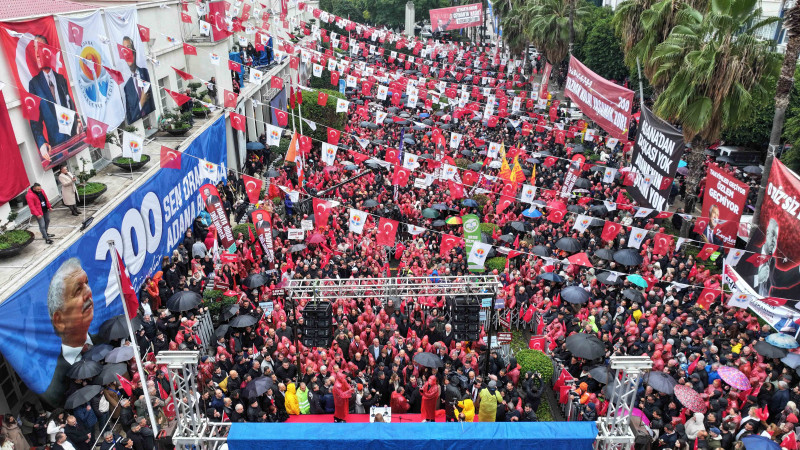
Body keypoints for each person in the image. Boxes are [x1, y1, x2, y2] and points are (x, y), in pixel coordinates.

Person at [42, 258, 96, 407]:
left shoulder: (103, 338)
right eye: (78, 290)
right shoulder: (55, 381)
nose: (88, 292)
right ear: (59, 320)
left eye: (87, 283)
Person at [27, 35, 80, 162]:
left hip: (74, 139)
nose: (37, 54)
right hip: (56, 146)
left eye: (39, 48)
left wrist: (77, 121)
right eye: (34, 49)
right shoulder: (34, 84)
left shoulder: (61, 79)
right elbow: (35, 120)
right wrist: (41, 144)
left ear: (48, 51)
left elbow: (70, 104)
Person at [120, 36, 155, 123]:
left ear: (134, 51)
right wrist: (141, 102)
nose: (127, 53)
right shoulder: (127, 86)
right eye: (123, 50)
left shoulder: (145, 72)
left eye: (128, 48)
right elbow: (130, 116)